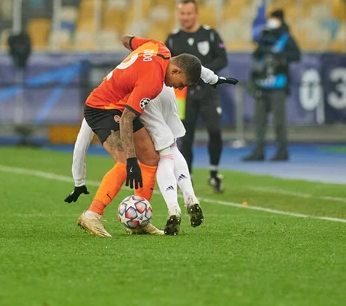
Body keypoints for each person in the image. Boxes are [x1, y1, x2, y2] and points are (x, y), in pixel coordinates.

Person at [67, 66, 238, 236]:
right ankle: (93, 213)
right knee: (146, 155)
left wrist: (79, 181)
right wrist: (212, 78)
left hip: (133, 104)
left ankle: (143, 220)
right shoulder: (155, 56)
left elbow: (81, 144)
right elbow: (183, 63)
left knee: (152, 157)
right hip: (132, 103)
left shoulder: (123, 80)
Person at [65, 35, 202, 237]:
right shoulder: (153, 82)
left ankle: (139, 223)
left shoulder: (159, 47)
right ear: (175, 70)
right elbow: (127, 119)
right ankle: (93, 214)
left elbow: (126, 40)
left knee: (150, 158)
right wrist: (130, 160)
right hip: (102, 108)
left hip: (122, 107)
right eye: (181, 83)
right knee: (123, 164)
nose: (178, 88)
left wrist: (131, 70)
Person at [165, 0, 229, 193]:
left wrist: (202, 73)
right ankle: (187, 176)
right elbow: (165, 64)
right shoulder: (173, 38)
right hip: (184, 96)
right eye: (182, 13)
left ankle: (214, 172)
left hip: (208, 93)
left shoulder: (210, 35)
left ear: (196, 14)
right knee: (186, 136)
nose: (185, 17)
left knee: (215, 131)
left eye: (189, 13)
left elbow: (223, 59)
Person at [243, 9, 301, 162]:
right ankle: (259, 151)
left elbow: (297, 55)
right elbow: (256, 57)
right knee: (259, 121)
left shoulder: (286, 38)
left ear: (280, 20)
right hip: (262, 84)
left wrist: (279, 56)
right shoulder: (263, 36)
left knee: (279, 122)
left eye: (274, 18)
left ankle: (282, 151)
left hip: (278, 84)